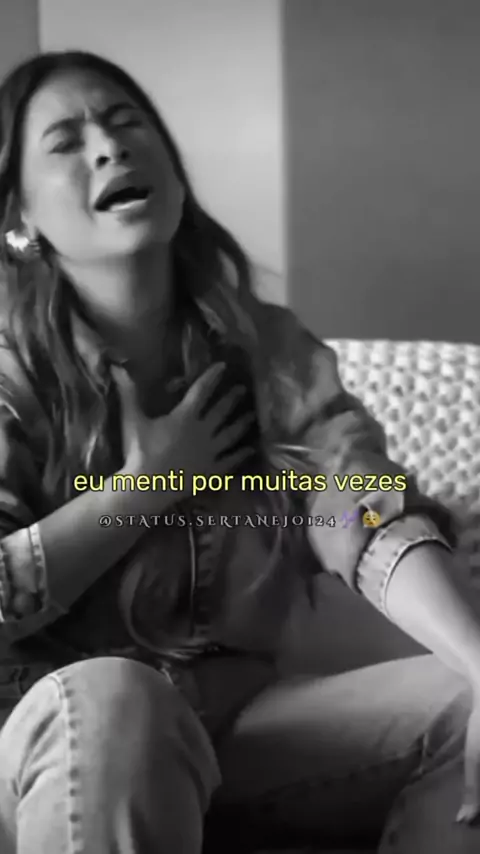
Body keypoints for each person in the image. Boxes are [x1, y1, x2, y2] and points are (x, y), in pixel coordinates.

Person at [0, 49, 478, 854]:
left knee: (464, 703)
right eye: (67, 142)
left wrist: (479, 659)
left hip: (231, 727)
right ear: (19, 218)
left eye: (125, 123)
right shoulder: (9, 374)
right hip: (42, 743)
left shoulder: (265, 352)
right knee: (118, 700)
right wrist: (147, 487)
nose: (109, 148)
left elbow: (359, 503)